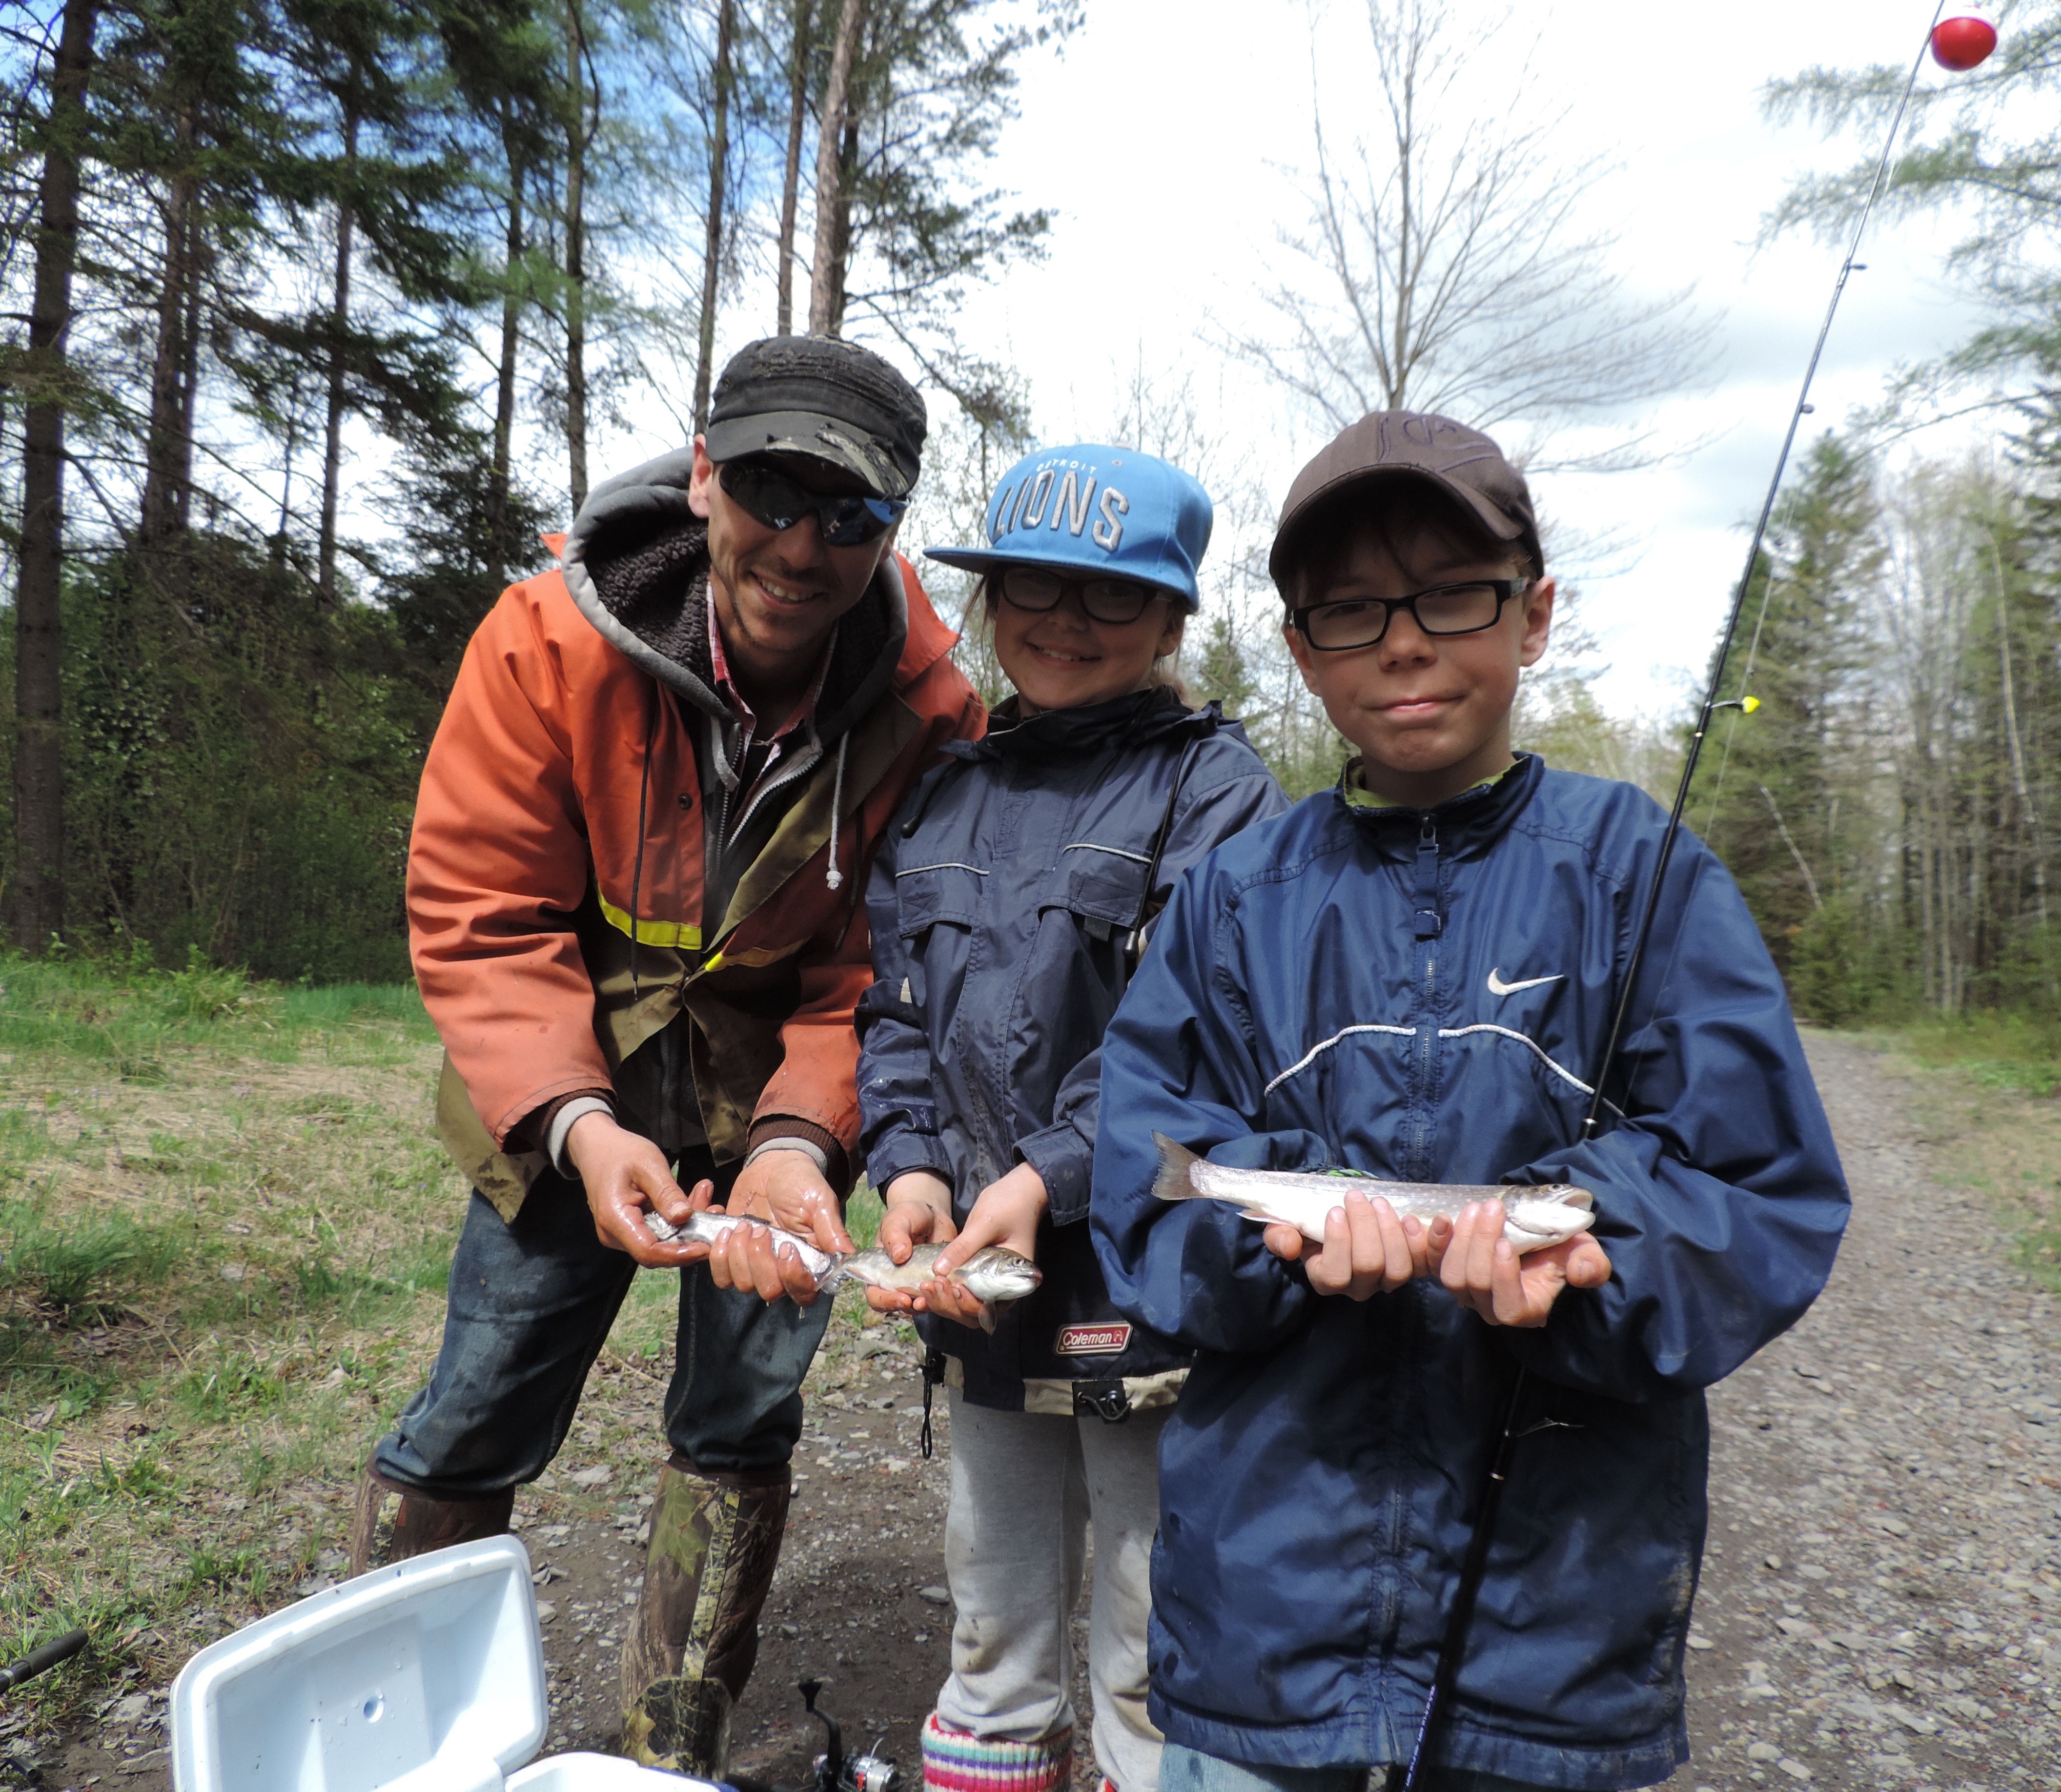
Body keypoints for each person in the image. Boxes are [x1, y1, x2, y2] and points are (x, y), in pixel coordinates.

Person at [1088, 411, 1851, 1792]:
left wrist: (1593, 1261)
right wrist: (1268, 1250)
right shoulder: (1231, 897)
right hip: (1266, 1622)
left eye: (1451, 593)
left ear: (1535, 612)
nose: (1403, 640)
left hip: (1554, 1636)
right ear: (1304, 649)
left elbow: (1761, 1193)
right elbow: (1148, 1183)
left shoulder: (1648, 873)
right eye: (1350, 611)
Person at [347, 336, 985, 1778]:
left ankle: (667, 1748)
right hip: (567, 1090)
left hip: (782, 1122)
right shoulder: (545, 642)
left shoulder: (934, 715)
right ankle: (383, 1732)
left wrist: (794, 1145)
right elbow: (484, 911)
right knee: (480, 1398)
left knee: (742, 1411)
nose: (801, 544)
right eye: (771, 486)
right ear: (706, 477)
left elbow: (879, 964)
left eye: (852, 516)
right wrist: (572, 1121)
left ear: (889, 531)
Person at [853, 445, 1287, 1792]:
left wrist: (1047, 1175)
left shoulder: (1217, 788)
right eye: (1033, 586)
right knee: (993, 1587)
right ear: (991, 605)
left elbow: (1195, 1030)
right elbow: (897, 1014)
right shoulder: (941, 790)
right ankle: (991, 1751)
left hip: (1141, 1262)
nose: (1064, 620)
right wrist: (912, 1166)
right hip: (980, 1272)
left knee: (1151, 1593)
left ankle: (1142, 1765)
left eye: (1110, 597)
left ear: (1170, 622)